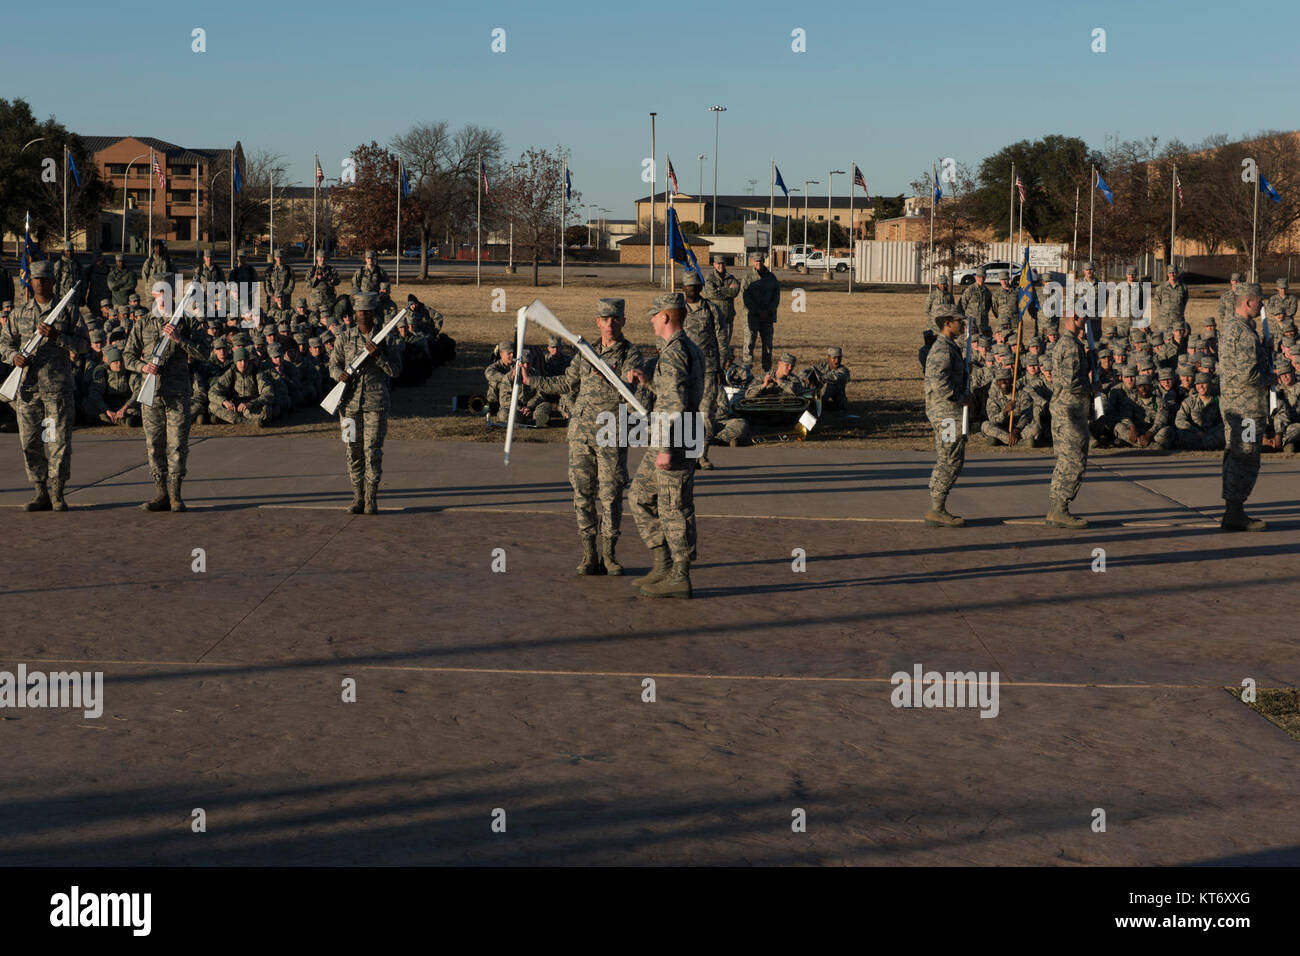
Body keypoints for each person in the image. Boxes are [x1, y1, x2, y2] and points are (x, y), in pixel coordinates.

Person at [525, 298, 645, 575]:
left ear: (623, 321)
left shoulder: (630, 353)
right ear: (597, 322)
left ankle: (610, 554)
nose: (610, 324)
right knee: (582, 494)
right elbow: (566, 382)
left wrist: (614, 375)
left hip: (610, 432)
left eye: (615, 318)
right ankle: (589, 553)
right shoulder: (585, 352)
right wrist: (533, 382)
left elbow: (629, 385)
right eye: (605, 319)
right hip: (580, 433)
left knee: (611, 494)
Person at [626, 292, 705, 599]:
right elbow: (673, 389)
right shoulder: (684, 349)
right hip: (676, 435)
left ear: (666, 317)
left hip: (676, 438)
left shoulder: (675, 353)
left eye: (654, 315)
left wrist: (667, 448)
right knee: (640, 496)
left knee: (674, 507)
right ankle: (663, 564)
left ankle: (680, 576)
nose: (650, 320)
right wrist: (648, 380)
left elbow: (676, 402)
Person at [0, 261, 90, 510]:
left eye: (45, 278)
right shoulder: (19, 313)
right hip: (27, 389)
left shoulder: (68, 311)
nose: (40, 283)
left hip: (57, 389)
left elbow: (84, 345)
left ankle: (57, 492)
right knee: (30, 442)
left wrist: (58, 337)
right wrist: (14, 357)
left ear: (52, 281)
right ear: (30, 281)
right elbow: (4, 343)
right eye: (36, 279)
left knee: (57, 441)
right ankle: (39, 492)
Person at [124, 274, 208, 511]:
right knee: (154, 446)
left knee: (178, 446)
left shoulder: (187, 321)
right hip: (151, 395)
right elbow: (128, 356)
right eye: (159, 292)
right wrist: (143, 367)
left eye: (168, 292)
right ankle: (160, 493)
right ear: (152, 294)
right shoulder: (143, 323)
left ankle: (175, 494)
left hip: (178, 394)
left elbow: (204, 353)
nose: (163, 296)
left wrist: (179, 339)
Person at [329, 291, 401, 514]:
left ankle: (371, 498)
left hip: (375, 405)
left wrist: (379, 357)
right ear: (354, 313)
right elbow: (333, 365)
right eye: (359, 312)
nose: (362, 316)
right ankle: (356, 497)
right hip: (348, 405)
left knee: (372, 451)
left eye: (366, 312)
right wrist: (339, 375)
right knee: (352, 450)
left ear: (374, 313)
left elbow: (396, 371)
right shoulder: (344, 338)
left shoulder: (386, 338)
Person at [1218, 282, 1269, 530]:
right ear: (1248, 302)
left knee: (1235, 454)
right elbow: (1250, 375)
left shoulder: (1232, 328)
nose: (1262, 304)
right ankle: (1235, 512)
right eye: (1260, 300)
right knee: (1245, 456)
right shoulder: (1245, 334)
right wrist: (1272, 376)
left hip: (1235, 404)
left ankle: (1233, 510)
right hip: (1247, 409)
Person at [1046, 309, 1092, 528]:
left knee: (1065, 459)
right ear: (1075, 317)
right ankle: (1060, 508)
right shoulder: (1071, 347)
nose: (1086, 320)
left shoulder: (1067, 344)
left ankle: (1057, 507)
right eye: (1084, 316)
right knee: (1074, 460)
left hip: (1064, 408)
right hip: (1070, 410)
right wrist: (1092, 386)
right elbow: (1071, 382)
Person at [924, 306, 969, 527]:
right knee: (950, 458)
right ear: (947, 323)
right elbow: (939, 383)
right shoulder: (943, 349)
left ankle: (937, 505)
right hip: (947, 413)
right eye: (959, 321)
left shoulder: (951, 347)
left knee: (949, 457)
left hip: (948, 411)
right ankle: (937, 509)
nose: (963, 324)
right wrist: (961, 398)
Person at [681, 272, 724, 470]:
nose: (693, 289)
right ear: (683, 288)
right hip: (683, 368)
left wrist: (721, 366)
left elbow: (721, 339)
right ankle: (684, 454)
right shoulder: (677, 309)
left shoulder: (711, 309)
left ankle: (701, 455)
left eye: (696, 286)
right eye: (689, 286)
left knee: (705, 415)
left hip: (707, 368)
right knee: (683, 413)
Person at [739, 252, 780, 372]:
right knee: (749, 343)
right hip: (752, 317)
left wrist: (768, 311)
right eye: (756, 261)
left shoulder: (771, 278)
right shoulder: (747, 278)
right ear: (753, 262)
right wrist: (757, 311)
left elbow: (776, 297)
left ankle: (766, 371)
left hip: (767, 317)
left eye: (761, 261)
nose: (759, 263)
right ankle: (747, 371)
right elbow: (744, 297)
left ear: (764, 262)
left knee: (767, 345)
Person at [702, 254, 741, 352]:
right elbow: (711, 293)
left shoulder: (731, 278)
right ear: (714, 264)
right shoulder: (709, 278)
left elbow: (735, 291)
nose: (720, 266)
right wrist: (728, 290)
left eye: (722, 263)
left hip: (727, 317)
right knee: (712, 346)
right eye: (718, 264)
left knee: (725, 347)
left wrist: (720, 289)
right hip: (713, 318)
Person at [809, 347, 851, 411]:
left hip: (838, 403)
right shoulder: (822, 366)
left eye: (839, 358)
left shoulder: (843, 371)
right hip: (824, 400)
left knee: (829, 385)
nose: (837, 361)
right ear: (828, 358)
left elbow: (832, 377)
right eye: (834, 358)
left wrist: (817, 378)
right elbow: (808, 371)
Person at [959, 266, 993, 335]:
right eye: (979, 277)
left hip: (983, 324)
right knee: (969, 344)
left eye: (983, 277)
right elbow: (962, 306)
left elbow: (988, 307)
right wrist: (965, 321)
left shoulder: (987, 292)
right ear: (976, 277)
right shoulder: (970, 290)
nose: (981, 279)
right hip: (971, 323)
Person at [308, 251, 340, 316]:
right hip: (316, 302)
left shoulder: (331, 270)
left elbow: (337, 281)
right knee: (314, 321)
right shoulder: (312, 270)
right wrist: (316, 278)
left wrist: (328, 278)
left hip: (328, 301)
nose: (322, 259)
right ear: (317, 258)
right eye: (320, 257)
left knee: (328, 321)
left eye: (324, 257)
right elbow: (308, 284)